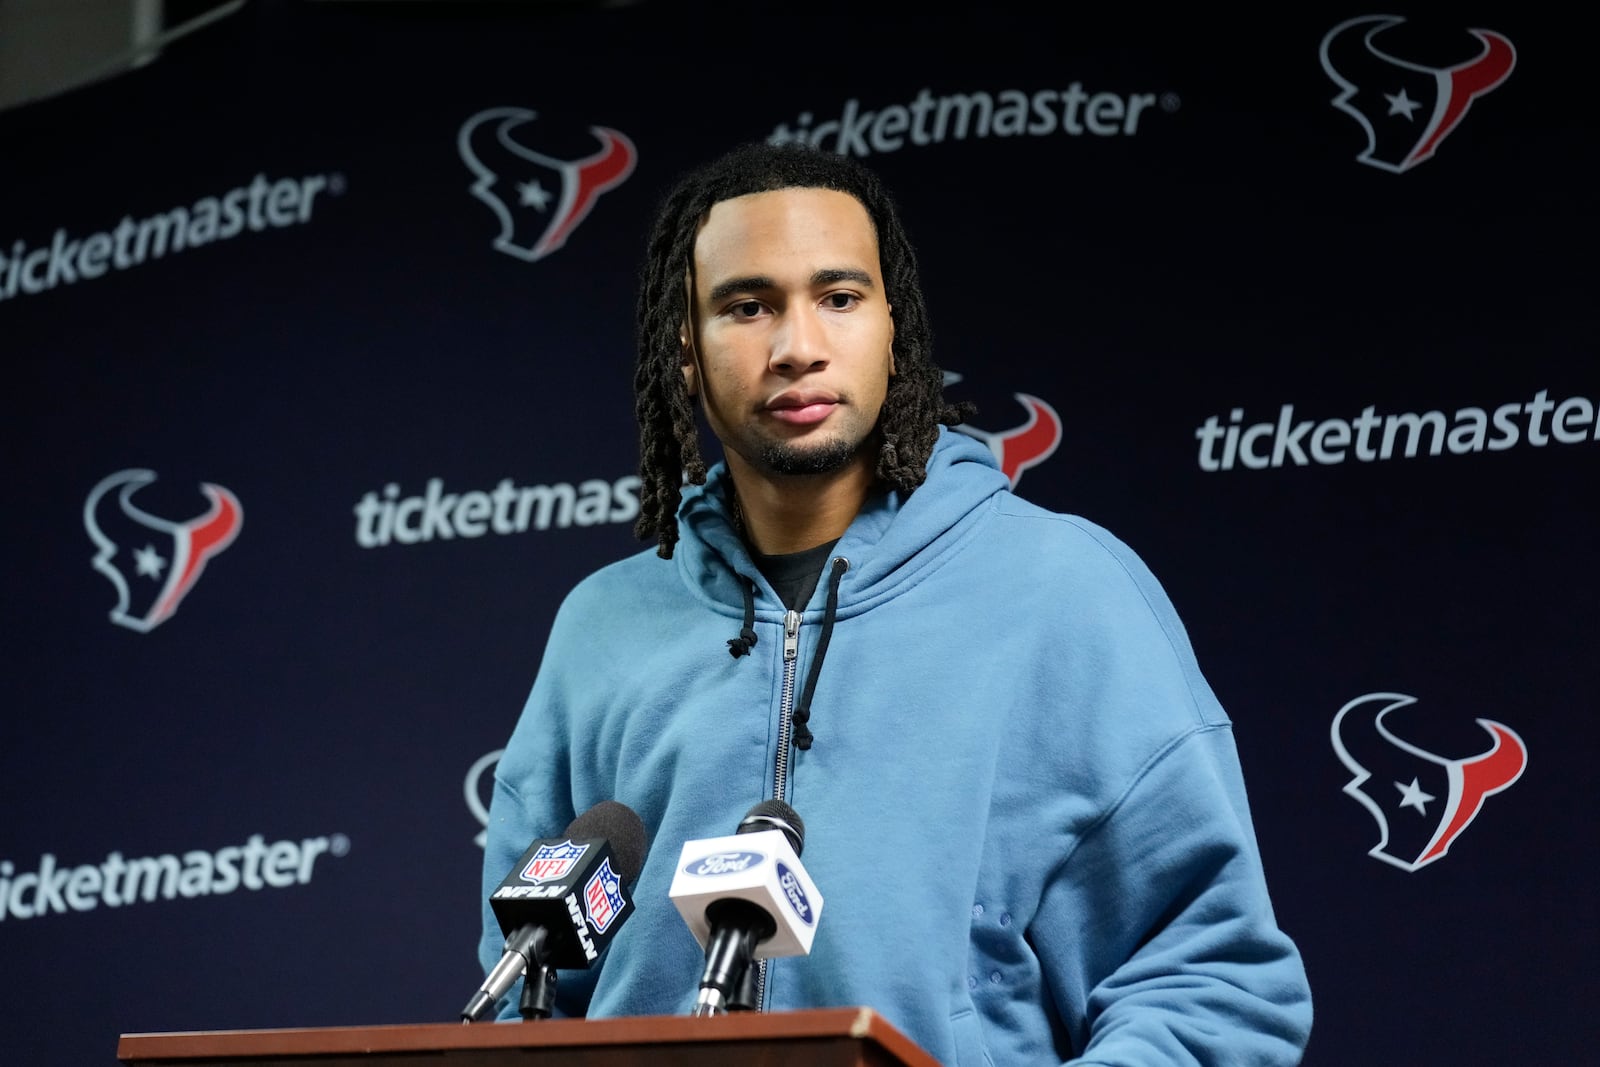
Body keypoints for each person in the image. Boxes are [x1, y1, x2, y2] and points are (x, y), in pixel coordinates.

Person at [478, 140, 1314, 1065]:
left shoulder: (1062, 591)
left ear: (894, 329)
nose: (798, 347)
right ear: (684, 349)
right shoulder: (601, 628)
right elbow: (531, 999)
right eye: (747, 306)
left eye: (838, 298)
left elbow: (1210, 983)